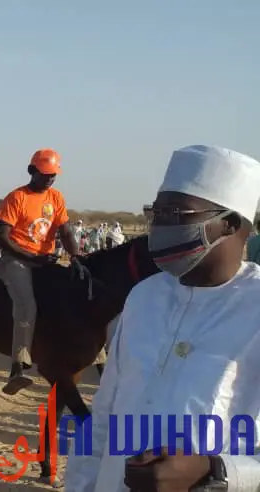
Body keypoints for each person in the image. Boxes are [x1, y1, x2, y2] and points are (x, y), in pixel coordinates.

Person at [65, 145, 260, 492]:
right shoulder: (144, 297)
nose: (159, 225)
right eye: (156, 212)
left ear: (228, 224)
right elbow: (103, 418)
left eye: (175, 213)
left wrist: (216, 471)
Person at [0, 148, 83, 395]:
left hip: (45, 260)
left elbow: (65, 231)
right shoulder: (17, 197)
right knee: (26, 305)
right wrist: (29, 256)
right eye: (45, 174)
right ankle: (18, 366)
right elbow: (0, 236)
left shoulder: (56, 198)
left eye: (53, 175)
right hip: (16, 260)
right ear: (32, 171)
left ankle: (88, 355)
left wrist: (75, 255)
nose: (50, 179)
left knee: (73, 294)